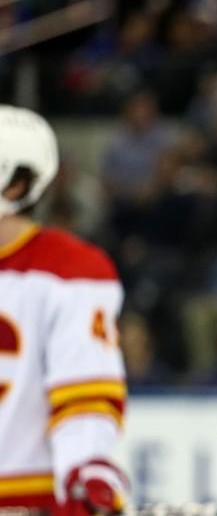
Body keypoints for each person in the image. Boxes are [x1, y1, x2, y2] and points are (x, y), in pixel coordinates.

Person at [0, 105, 129, 514]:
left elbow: (85, 398)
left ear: (16, 184)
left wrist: (87, 471)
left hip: (27, 499)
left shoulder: (69, 272)